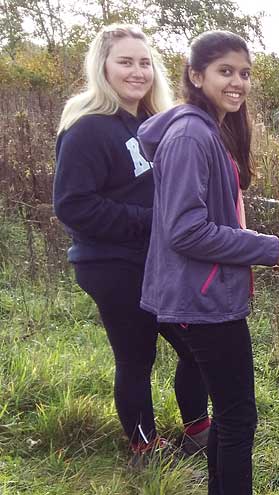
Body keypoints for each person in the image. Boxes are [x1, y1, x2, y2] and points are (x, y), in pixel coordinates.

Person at [137, 30, 279, 495]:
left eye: (243, 73)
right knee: (237, 421)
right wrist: (266, 248)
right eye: (224, 72)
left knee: (230, 417)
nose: (236, 83)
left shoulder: (203, 130)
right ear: (195, 76)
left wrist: (262, 244)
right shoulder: (191, 134)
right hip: (203, 301)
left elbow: (208, 220)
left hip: (201, 296)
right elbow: (186, 231)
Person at [53, 24, 210, 466]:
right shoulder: (87, 129)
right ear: (103, 67)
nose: (137, 71)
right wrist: (152, 222)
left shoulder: (154, 122)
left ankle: (198, 429)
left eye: (144, 62)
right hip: (113, 265)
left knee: (198, 347)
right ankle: (145, 448)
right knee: (136, 358)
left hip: (159, 262)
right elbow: (73, 206)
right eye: (125, 61)